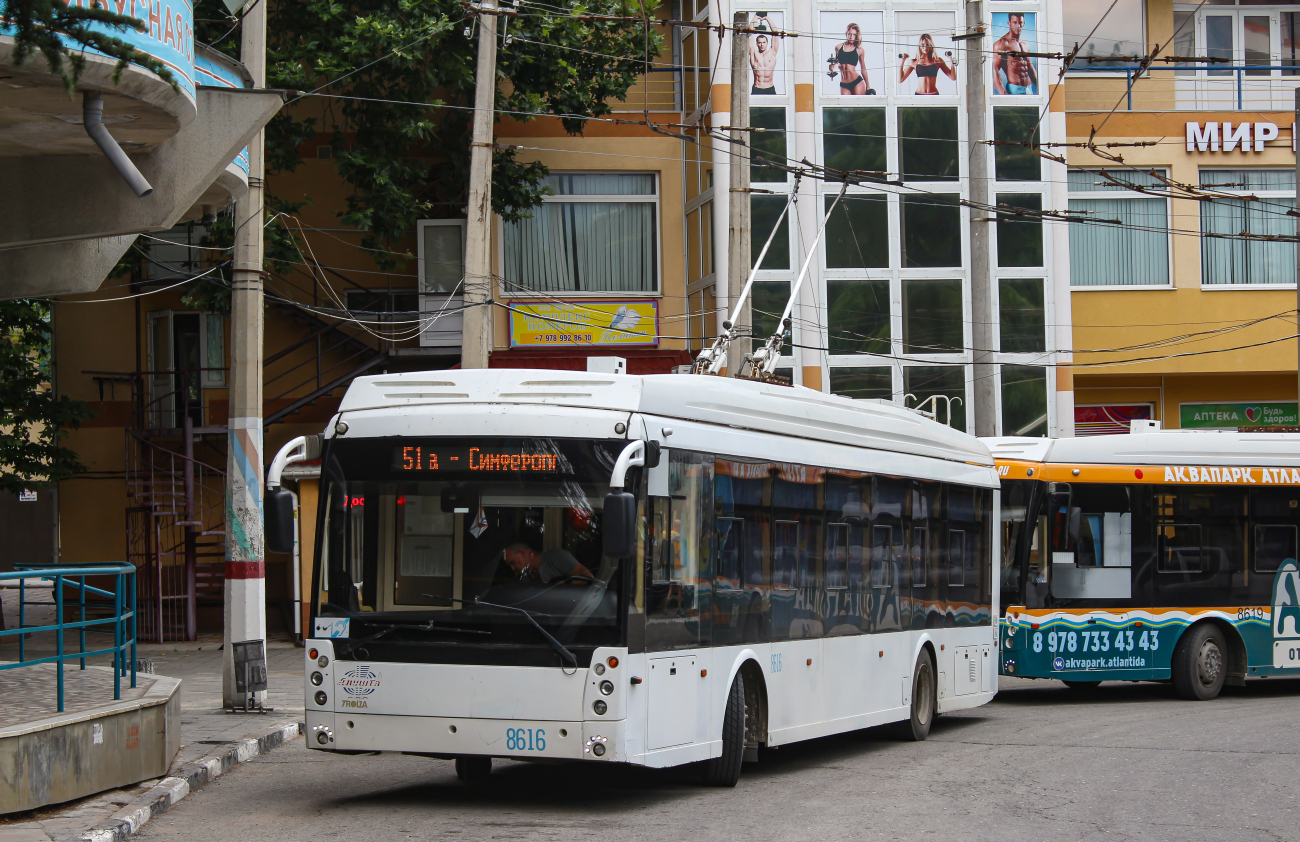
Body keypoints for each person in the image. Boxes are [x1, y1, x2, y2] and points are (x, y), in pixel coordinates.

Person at [503, 529, 593, 584]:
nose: (513, 568)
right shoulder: (526, 578)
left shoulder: (556, 557)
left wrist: (557, 586)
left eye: (513, 562)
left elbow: (588, 578)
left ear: (522, 552)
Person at [992, 14, 1038, 95]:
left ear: (1024, 23)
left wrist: (1041, 87)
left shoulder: (1025, 45)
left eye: (1020, 23)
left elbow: (1030, 69)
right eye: (1015, 22)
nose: (1018, 26)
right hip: (1014, 89)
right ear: (1009, 23)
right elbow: (994, 70)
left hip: (1029, 89)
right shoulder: (1002, 44)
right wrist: (1003, 94)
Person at [828, 23, 871, 95]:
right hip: (844, 84)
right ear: (846, 34)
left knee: (859, 105)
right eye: (849, 34)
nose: (851, 37)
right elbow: (837, 64)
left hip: (857, 82)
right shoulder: (838, 47)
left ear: (856, 36)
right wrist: (831, 67)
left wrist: (868, 86)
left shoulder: (860, 50)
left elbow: (863, 69)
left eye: (854, 35)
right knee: (846, 105)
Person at [749, 14, 780, 95]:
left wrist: (767, 18)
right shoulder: (753, 52)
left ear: (767, 43)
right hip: (757, 88)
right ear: (757, 44)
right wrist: (754, 18)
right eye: (759, 43)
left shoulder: (772, 52)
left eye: (764, 42)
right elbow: (749, 34)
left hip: (770, 88)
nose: (762, 45)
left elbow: (775, 33)